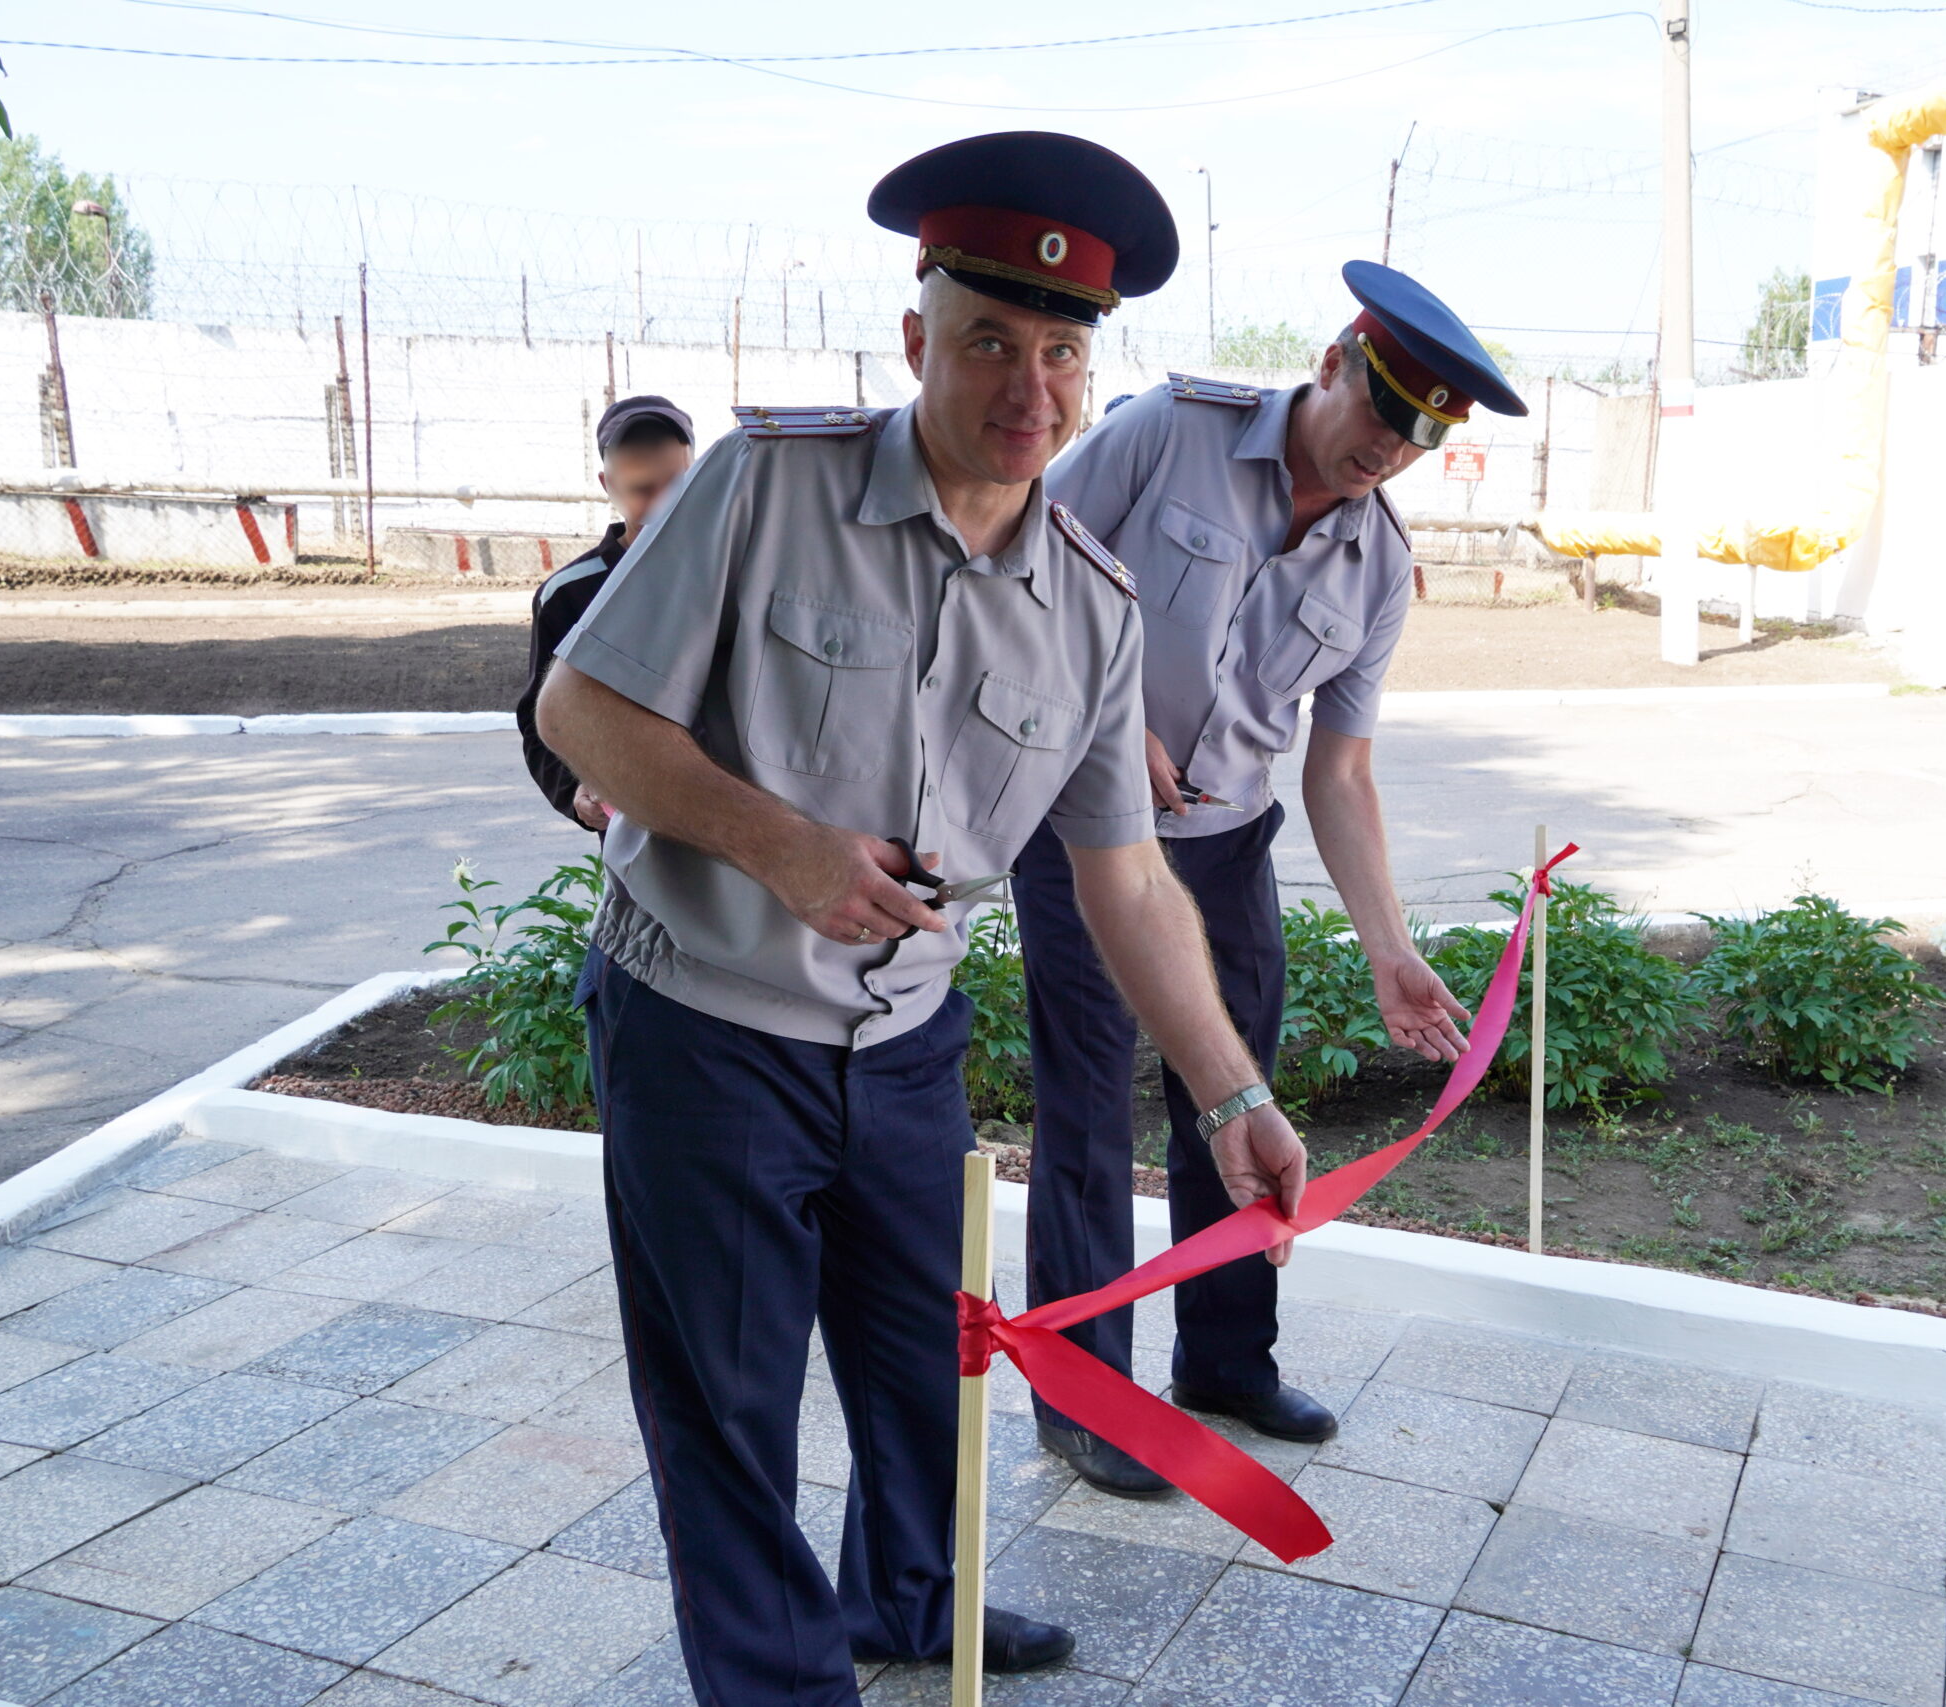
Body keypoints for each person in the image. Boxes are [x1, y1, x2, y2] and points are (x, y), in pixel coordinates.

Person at [532, 132, 1309, 1707]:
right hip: (709, 1025)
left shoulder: (1093, 601)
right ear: (916, 342)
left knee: (922, 1374)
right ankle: (781, 1682)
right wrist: (783, 847)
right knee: (729, 1410)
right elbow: (582, 706)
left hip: (900, 1047)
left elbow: (1128, 875)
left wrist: (1231, 1095)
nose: (1029, 387)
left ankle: (910, 1596)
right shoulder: (768, 482)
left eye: (1062, 353)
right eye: (990, 344)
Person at [1014, 261, 1527, 1498]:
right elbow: (1019, 560)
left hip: (1226, 845)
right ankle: (1085, 1398)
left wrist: (1390, 946)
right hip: (1081, 831)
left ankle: (1225, 1361)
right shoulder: (1167, 435)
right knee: (1086, 1106)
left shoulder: (1376, 566)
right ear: (1335, 364)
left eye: (1416, 445)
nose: (1385, 457)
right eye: (1378, 421)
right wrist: (1102, 714)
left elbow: (1339, 773)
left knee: (1236, 1101)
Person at [515, 394, 696, 830]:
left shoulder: (737, 577)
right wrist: (574, 791)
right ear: (606, 484)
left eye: (676, 483)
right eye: (641, 489)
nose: (662, 502)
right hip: (636, 833)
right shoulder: (568, 595)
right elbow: (543, 722)